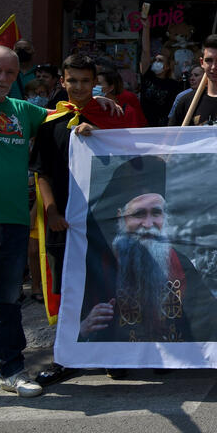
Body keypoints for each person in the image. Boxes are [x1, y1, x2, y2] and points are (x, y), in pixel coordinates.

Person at [31, 53, 136, 385]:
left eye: (85, 81)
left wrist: (100, 136)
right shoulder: (50, 124)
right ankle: (66, 356)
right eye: (72, 80)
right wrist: (51, 212)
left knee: (106, 283)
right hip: (65, 222)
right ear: (62, 81)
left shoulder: (111, 117)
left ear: (96, 83)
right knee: (67, 288)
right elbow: (43, 173)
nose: (78, 87)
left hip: (104, 221)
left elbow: (131, 161)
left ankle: (110, 354)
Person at [79, 155, 217, 343]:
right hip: (122, 362)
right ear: (120, 216)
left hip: (173, 361)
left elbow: (208, 317)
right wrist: (83, 326)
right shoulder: (99, 264)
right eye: (138, 214)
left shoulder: (179, 262)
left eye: (156, 213)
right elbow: (74, 323)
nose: (148, 224)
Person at [0, 46, 48, 397]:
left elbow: (64, 116)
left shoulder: (24, 110)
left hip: (14, 223)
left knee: (7, 304)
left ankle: (12, 371)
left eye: (10, 72)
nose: (2, 78)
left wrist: (100, 107)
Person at [139, 13, 183, 126]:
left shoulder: (174, 85)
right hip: (145, 125)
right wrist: (146, 28)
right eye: (155, 60)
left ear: (167, 66)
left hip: (164, 127)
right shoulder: (147, 75)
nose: (156, 63)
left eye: (160, 61)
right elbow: (145, 51)